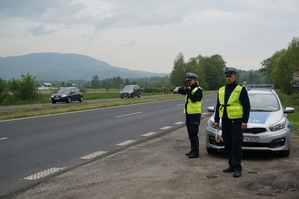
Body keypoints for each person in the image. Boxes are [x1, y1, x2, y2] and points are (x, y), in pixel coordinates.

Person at [214, 67, 250, 177]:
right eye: (227, 76)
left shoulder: (240, 89)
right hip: (225, 121)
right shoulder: (221, 90)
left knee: (236, 145)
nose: (228, 78)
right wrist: (216, 120)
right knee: (227, 145)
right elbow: (218, 105)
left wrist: (244, 121)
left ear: (235, 76)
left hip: (236, 122)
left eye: (230, 76)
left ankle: (237, 168)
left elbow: (246, 106)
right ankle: (231, 165)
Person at [178, 72, 203, 158]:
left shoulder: (198, 90)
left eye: (190, 80)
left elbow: (194, 99)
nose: (189, 82)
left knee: (193, 133)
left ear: (195, 80)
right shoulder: (190, 89)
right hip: (189, 114)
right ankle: (193, 149)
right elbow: (179, 91)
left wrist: (187, 90)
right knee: (190, 133)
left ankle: (196, 152)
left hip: (195, 115)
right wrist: (185, 87)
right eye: (188, 80)